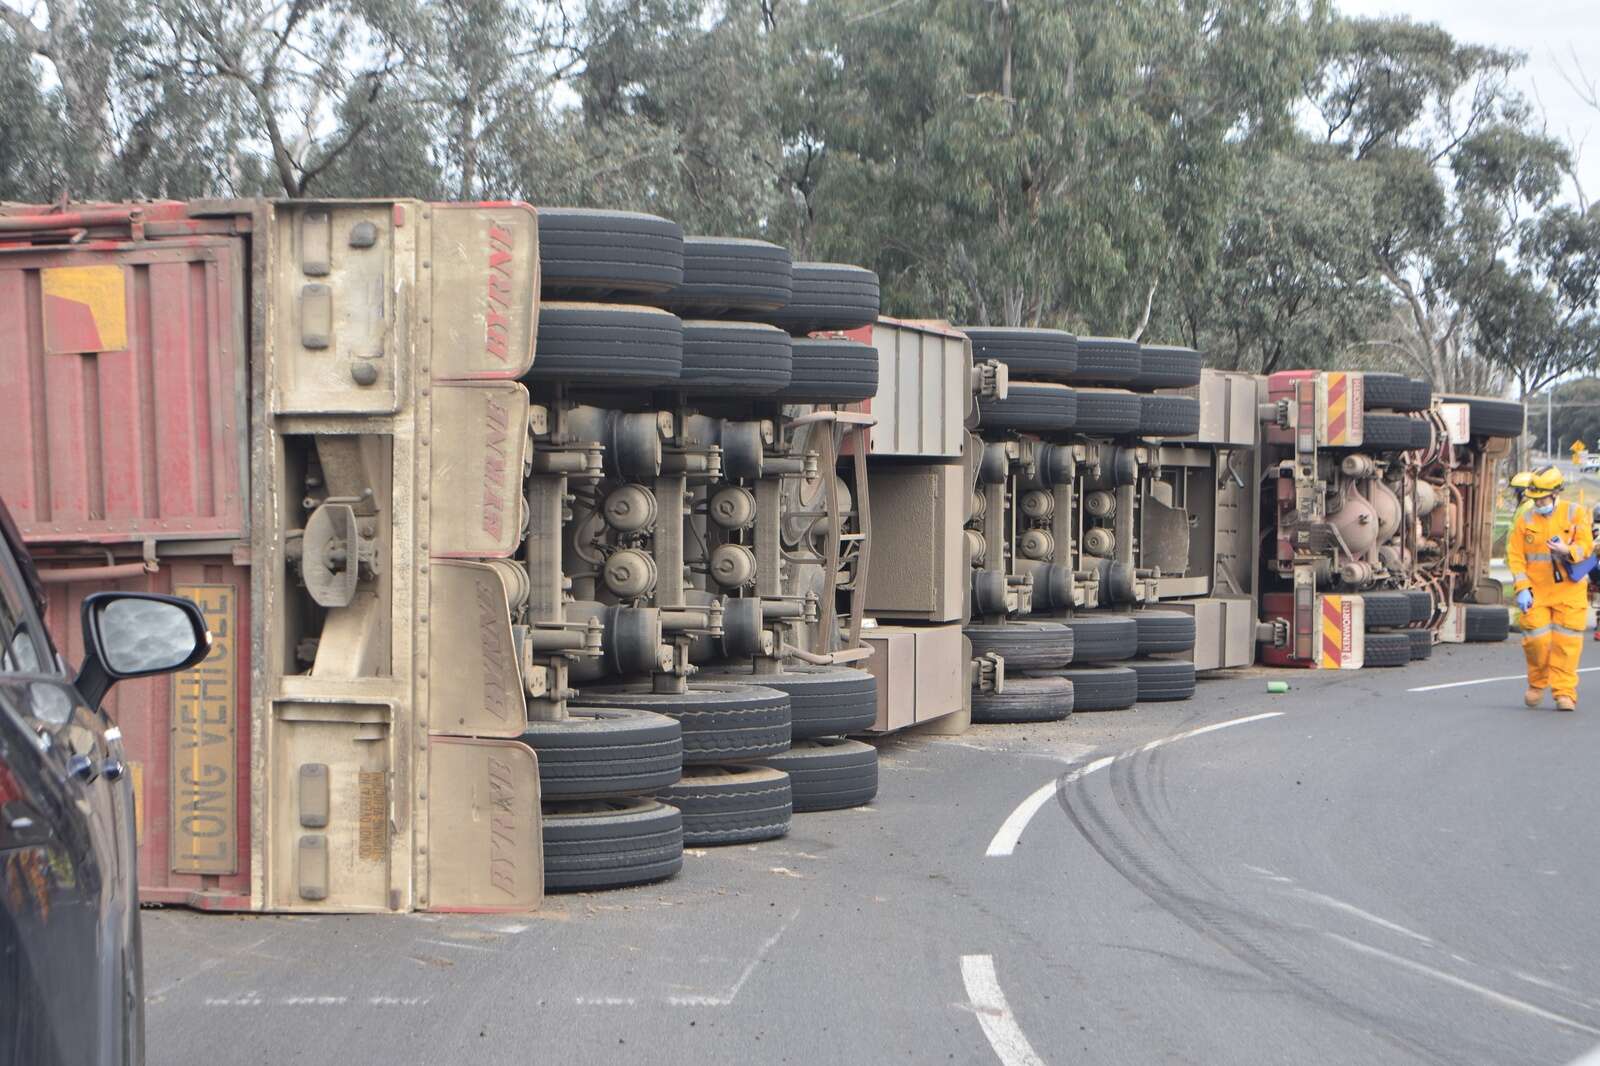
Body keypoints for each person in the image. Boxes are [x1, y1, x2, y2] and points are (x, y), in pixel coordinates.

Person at [1508, 466, 1593, 710]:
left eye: (1543, 498)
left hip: (1569, 592)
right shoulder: (1526, 520)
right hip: (1536, 592)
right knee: (1537, 642)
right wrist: (1522, 587)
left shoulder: (1575, 513)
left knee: (1566, 646)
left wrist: (1568, 551)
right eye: (1535, 498)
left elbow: (1586, 545)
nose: (1539, 503)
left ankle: (1564, 693)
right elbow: (1516, 557)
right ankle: (1536, 684)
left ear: (1556, 493)